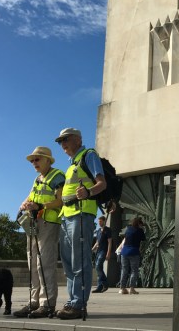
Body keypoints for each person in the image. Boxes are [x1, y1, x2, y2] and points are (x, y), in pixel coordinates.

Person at [54, 127, 106, 320]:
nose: (63, 144)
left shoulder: (89, 155)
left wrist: (89, 192)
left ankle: (78, 304)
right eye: (60, 141)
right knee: (68, 262)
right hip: (67, 216)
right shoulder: (71, 164)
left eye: (66, 139)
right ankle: (72, 301)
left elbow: (102, 183)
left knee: (79, 261)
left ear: (78, 139)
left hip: (81, 215)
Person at [13, 146, 64, 318]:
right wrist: (24, 204)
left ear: (48, 160)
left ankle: (47, 304)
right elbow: (30, 197)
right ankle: (34, 301)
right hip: (33, 222)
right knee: (32, 262)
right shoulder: (37, 179)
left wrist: (40, 206)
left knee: (45, 264)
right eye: (32, 160)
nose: (34, 162)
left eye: (37, 159)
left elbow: (61, 200)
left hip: (48, 223)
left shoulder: (57, 176)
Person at [117, 217, 146, 295]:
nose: (142, 226)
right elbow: (143, 241)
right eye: (141, 224)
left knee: (124, 270)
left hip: (124, 252)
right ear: (139, 224)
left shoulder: (128, 229)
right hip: (134, 252)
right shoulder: (140, 231)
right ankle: (132, 289)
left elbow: (125, 238)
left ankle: (122, 288)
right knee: (134, 270)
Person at [91, 215, 112, 293]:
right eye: (98, 221)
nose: (99, 223)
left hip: (104, 251)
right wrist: (92, 249)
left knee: (98, 266)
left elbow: (110, 242)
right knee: (98, 268)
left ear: (104, 221)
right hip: (98, 251)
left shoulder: (108, 230)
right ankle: (100, 286)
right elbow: (97, 242)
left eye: (100, 221)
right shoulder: (99, 231)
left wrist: (108, 253)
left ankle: (105, 283)